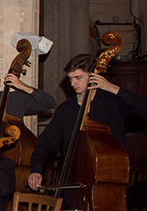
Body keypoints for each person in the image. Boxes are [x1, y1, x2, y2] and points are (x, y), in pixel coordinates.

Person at [28, 54, 147, 192]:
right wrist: (36, 170)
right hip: (74, 181)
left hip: (109, 179)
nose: (73, 84)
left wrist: (113, 89)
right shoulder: (66, 110)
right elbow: (45, 142)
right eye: (70, 79)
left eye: (78, 78)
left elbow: (144, 107)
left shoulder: (113, 102)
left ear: (93, 77)